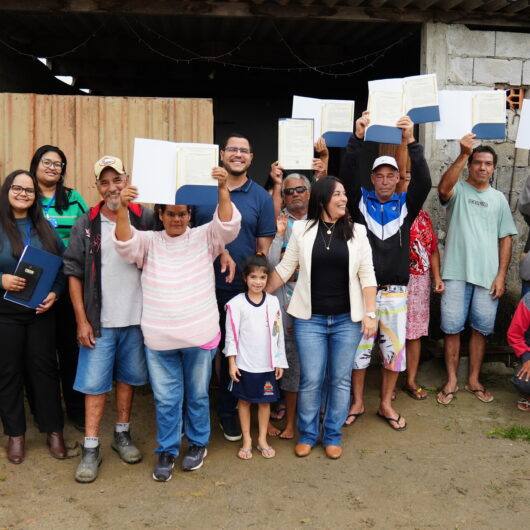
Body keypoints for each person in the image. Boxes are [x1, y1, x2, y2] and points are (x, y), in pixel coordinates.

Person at [113, 169, 241, 482]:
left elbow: (227, 224)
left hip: (199, 335)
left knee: (197, 395)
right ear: (160, 214)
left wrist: (223, 188)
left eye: (183, 214)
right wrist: (120, 207)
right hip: (159, 339)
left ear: (190, 215)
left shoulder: (204, 237)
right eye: (171, 213)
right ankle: (168, 449)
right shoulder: (148, 242)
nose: (177, 219)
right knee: (167, 399)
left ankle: (197, 444)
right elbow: (124, 241)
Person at [267, 176, 377, 459]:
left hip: (347, 320)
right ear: (323, 199)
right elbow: (285, 268)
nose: (344, 199)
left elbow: (367, 276)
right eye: (337, 194)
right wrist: (258, 297)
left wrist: (370, 314)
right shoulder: (302, 229)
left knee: (340, 380)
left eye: (344, 194)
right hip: (309, 319)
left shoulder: (358, 232)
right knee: (311, 379)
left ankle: (332, 435)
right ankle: (307, 434)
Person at [64, 155, 155, 483]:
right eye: (105, 181)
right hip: (99, 320)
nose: (113, 186)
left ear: (127, 179)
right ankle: (91, 447)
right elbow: (73, 272)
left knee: (128, 380)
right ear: (98, 186)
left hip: (137, 319)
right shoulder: (86, 223)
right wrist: (81, 320)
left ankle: (122, 435)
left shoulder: (144, 217)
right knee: (94, 385)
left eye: (117, 179)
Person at [340, 112, 431, 431]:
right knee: (359, 353)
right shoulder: (359, 203)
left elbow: (425, 181)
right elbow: (347, 175)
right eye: (379, 175)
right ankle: (357, 402)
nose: (385, 180)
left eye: (391, 175)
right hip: (364, 292)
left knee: (393, 352)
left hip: (395, 294)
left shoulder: (407, 206)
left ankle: (386, 403)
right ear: (373, 178)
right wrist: (358, 138)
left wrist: (411, 142)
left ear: (397, 179)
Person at [193, 133, 276, 443]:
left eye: (244, 150)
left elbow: (263, 250)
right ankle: (198, 413)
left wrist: (255, 290)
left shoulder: (261, 198)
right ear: (222, 155)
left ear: (251, 158)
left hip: (239, 292)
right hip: (199, 284)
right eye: (232, 150)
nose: (238, 154)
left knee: (233, 353)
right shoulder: (201, 190)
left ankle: (228, 412)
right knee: (202, 351)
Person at [437, 135, 517, 405]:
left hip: (487, 277)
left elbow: (506, 238)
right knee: (451, 328)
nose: (483, 168)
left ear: (494, 168)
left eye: (488, 164)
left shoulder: (499, 200)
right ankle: (451, 380)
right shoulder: (458, 190)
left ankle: (473, 379)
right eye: (478, 163)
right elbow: (443, 191)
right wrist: (461, 154)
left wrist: (501, 276)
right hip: (456, 272)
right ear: (470, 166)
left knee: (481, 330)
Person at [0, 170, 67, 464]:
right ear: (7, 191)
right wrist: (0, 279)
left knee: (45, 372)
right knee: (8, 373)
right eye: (17, 188)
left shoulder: (45, 228)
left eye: (29, 190)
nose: (23, 193)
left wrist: (55, 292)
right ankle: (16, 434)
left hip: (40, 314)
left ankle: (53, 431)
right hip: (5, 314)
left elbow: (63, 266)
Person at [30, 145, 88, 430]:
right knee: (39, 353)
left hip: (68, 281)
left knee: (70, 351)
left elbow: (88, 233)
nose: (53, 167)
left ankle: (76, 410)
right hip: (33, 281)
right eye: (47, 162)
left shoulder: (74, 198)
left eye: (59, 164)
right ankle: (46, 413)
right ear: (36, 164)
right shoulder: (26, 196)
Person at [225, 253, 288, 460]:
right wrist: (232, 363)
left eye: (262, 277)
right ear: (245, 278)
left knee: (264, 403)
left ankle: (261, 439)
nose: (258, 282)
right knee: (243, 402)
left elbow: (278, 334)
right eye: (253, 277)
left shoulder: (272, 303)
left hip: (266, 365)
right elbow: (231, 336)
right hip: (244, 365)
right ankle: (247, 440)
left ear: (267, 278)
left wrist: (279, 361)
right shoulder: (236, 304)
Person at [394, 149, 444, 401]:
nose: (408, 183)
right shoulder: (390, 213)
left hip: (420, 282)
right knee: (391, 332)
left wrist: (436, 278)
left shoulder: (424, 217)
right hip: (394, 281)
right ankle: (389, 383)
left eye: (411, 179)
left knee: (414, 333)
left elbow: (432, 250)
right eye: (403, 178)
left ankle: (411, 380)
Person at [267, 173, 311, 439]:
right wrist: (279, 239)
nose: (295, 194)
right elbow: (269, 265)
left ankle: (297, 419)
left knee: (304, 363)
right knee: (279, 360)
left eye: (300, 189)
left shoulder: (321, 219)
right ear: (282, 196)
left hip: (312, 302)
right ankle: (273, 411)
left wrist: (294, 264)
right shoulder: (277, 222)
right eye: (289, 191)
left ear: (309, 193)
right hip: (280, 302)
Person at [506, 293, 530, 412]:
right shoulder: (528, 300)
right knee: (524, 382)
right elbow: (514, 334)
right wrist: (526, 358)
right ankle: (528, 396)